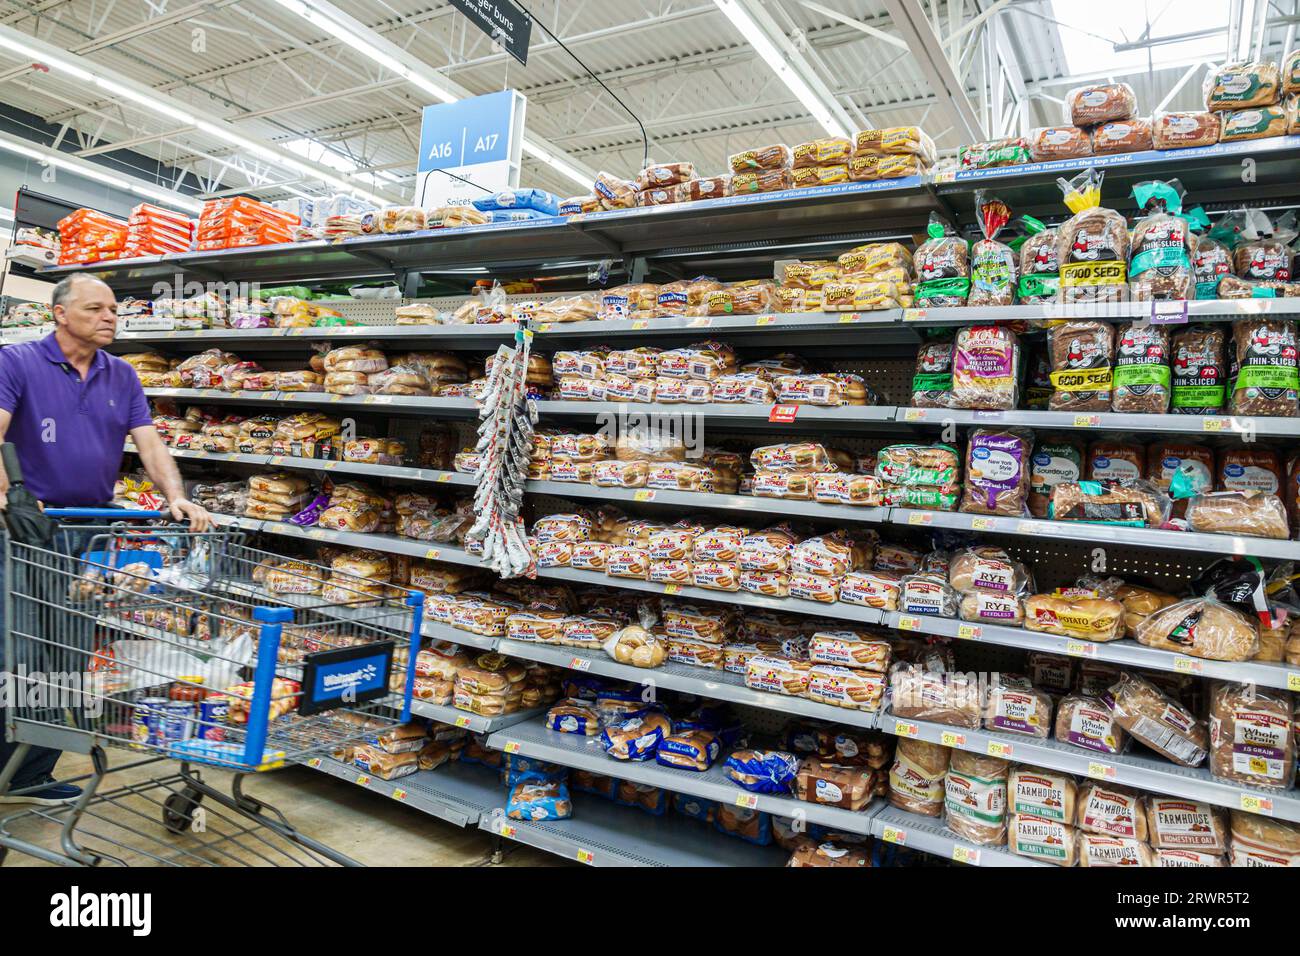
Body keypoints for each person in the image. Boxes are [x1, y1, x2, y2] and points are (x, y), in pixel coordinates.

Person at [0, 272, 210, 806]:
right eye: (96, 309)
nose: (110, 317)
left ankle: (27, 773)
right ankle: (8, 763)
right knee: (19, 646)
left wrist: (176, 496)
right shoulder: (17, 362)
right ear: (60, 314)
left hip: (90, 529)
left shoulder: (122, 376)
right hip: (27, 531)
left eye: (113, 309)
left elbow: (150, 445)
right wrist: (10, 500)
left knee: (66, 649)